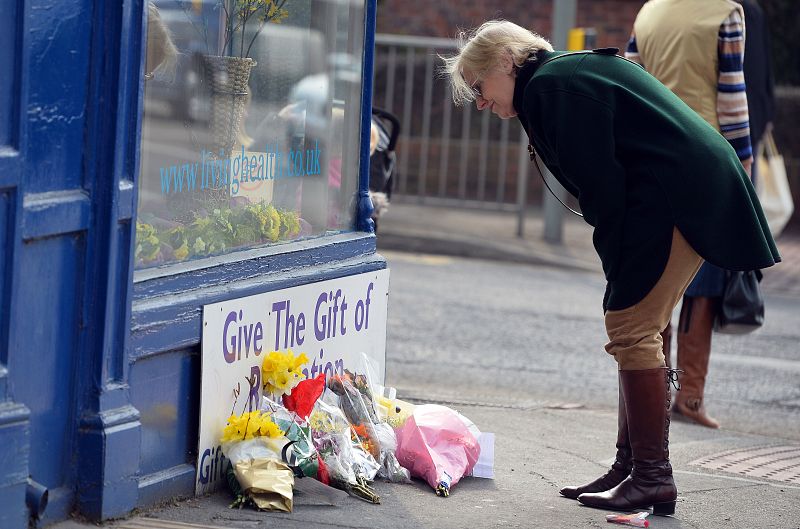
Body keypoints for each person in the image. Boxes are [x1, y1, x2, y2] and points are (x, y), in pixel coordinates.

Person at [442, 20, 779, 515]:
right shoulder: (555, 80)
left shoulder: (551, 88)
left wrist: (617, 263)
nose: (479, 102)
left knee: (632, 326)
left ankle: (651, 477)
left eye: (478, 87)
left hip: (676, 194)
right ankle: (631, 468)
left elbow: (602, 187)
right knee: (639, 325)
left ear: (507, 61)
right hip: (682, 188)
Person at [625, 0, 756, 429]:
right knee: (704, 287)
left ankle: (656, 395)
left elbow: (629, 84)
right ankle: (691, 397)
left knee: (657, 287)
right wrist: (744, 170)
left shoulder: (649, 12)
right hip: (706, 165)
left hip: (651, 163)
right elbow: (732, 100)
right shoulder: (725, 13)